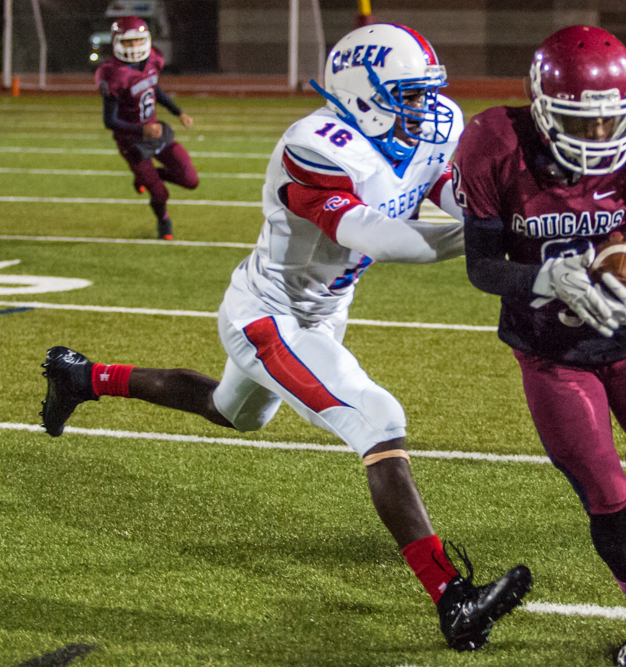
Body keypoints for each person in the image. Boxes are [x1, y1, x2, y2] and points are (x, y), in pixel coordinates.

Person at [42, 23, 531, 652]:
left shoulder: (425, 129)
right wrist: (492, 236)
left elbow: (450, 192)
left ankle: (82, 377)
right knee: (378, 419)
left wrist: (513, 219)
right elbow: (376, 235)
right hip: (269, 314)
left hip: (324, 309)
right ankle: (452, 598)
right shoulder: (316, 145)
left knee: (231, 410)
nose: (427, 108)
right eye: (410, 95)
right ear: (363, 95)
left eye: (426, 92)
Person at [453, 26, 626, 667]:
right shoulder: (494, 144)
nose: (599, 136)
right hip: (551, 353)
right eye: (580, 121)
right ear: (542, 108)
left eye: (610, 121)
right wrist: (543, 278)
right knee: (604, 496)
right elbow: (482, 267)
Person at [94, 16, 199, 240]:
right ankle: (164, 221)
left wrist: (178, 112)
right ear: (116, 43)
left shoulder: (153, 59)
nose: (134, 46)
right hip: (132, 142)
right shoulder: (112, 73)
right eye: (128, 41)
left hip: (156, 133)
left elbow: (153, 88)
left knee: (190, 180)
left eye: (137, 40)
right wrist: (143, 131)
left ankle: (145, 178)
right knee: (160, 193)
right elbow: (109, 121)